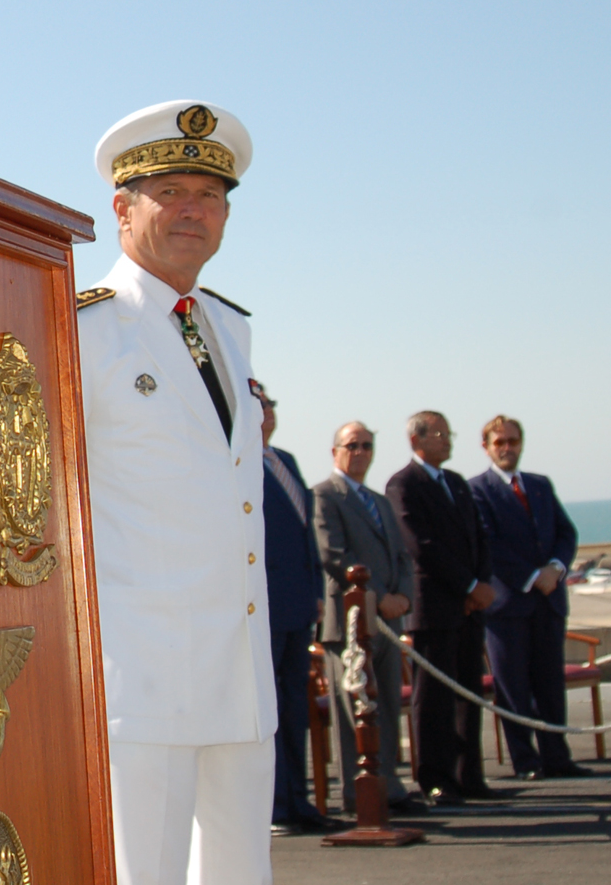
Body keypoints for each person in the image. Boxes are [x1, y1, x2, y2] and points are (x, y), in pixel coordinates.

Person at [77, 100, 276, 885]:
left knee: (240, 873)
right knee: (143, 874)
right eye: (173, 193)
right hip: (144, 671)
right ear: (123, 208)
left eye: (211, 194)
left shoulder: (230, 327)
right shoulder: (85, 329)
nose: (195, 210)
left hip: (239, 669)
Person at [311, 421, 425, 815]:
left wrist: (402, 599)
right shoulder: (324, 496)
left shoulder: (379, 501)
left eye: (367, 446)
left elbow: (402, 558)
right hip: (349, 625)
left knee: (388, 707)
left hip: (387, 624)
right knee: (352, 712)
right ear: (335, 451)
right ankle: (358, 795)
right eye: (352, 445)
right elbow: (333, 556)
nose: (360, 452)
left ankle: (390, 787)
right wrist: (376, 599)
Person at [468, 416, 590, 779]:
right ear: (486, 446)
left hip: (549, 602)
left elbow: (566, 532)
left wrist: (555, 567)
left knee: (550, 684)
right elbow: (490, 543)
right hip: (509, 606)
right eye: (499, 442)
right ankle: (526, 760)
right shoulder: (479, 490)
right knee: (513, 687)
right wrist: (532, 576)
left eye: (513, 441)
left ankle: (557, 757)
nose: (507, 448)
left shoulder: (539, 485)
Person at [385, 411, 495, 806]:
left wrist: (480, 584)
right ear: (416, 440)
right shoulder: (403, 484)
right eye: (438, 434)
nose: (447, 441)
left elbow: (476, 536)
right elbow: (420, 545)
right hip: (433, 607)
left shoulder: (455, 483)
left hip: (468, 606)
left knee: (468, 691)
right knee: (432, 699)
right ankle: (435, 777)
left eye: (449, 434)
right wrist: (466, 585)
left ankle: (469, 775)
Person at [252, 380, 332, 835]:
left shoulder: (286, 462)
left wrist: (315, 591)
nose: (268, 411)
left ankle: (301, 799)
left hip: (300, 605)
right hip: (266, 607)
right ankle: (278, 806)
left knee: (296, 708)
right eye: (258, 404)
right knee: (274, 710)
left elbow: (306, 535)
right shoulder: (238, 463)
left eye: (270, 403)